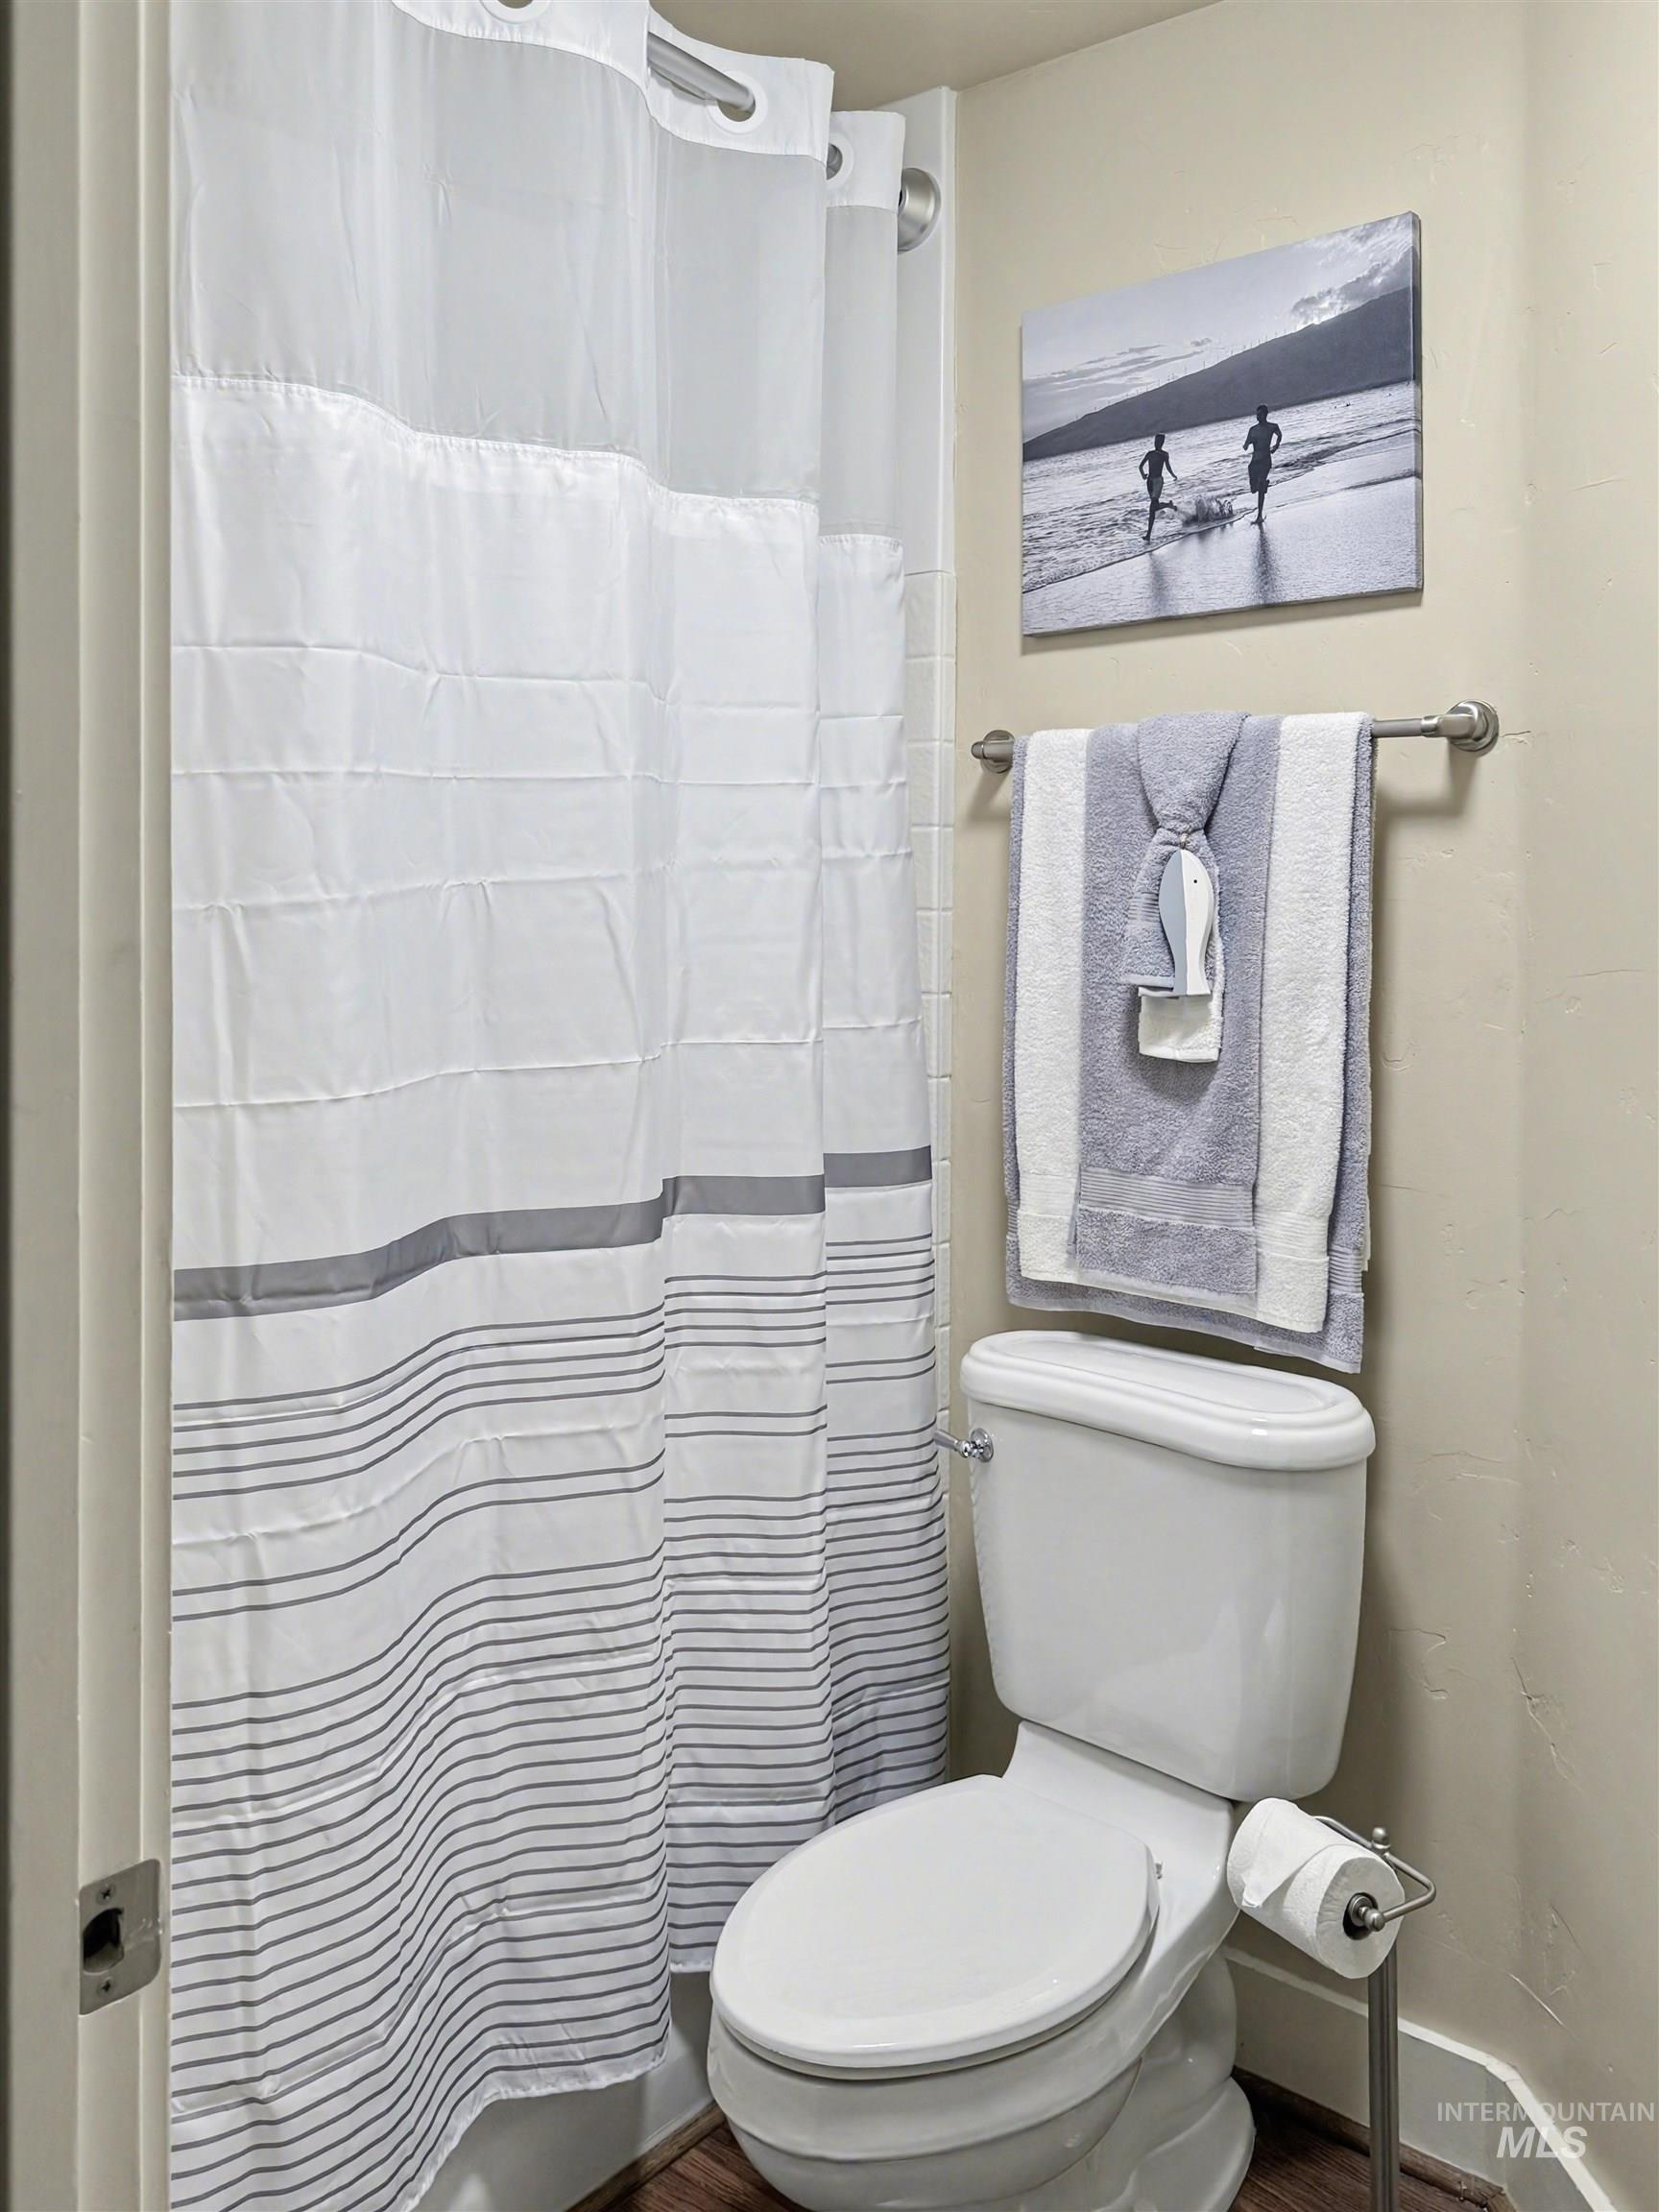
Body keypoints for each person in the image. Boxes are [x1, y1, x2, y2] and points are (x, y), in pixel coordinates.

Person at [1243, 404, 1282, 525]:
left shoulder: (1272, 427)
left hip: (1265, 461)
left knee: (1260, 487)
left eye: (1259, 414)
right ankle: (1264, 485)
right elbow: (1246, 445)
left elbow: (1279, 434)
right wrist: (1247, 444)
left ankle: (1259, 515)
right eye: (1257, 414)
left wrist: (1276, 446)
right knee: (1254, 490)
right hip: (1254, 463)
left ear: (1265, 415)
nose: (1257, 416)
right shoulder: (1253, 430)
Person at [1139, 433, 1179, 541]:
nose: (1157, 443)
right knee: (1154, 507)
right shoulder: (1150, 454)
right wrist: (1143, 475)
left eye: (1159, 442)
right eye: (1156, 441)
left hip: (1158, 481)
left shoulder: (1164, 455)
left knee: (1152, 508)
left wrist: (1173, 475)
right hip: (1150, 481)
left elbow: (1168, 467)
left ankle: (1148, 535)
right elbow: (1140, 466)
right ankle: (1168, 505)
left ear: (1162, 443)